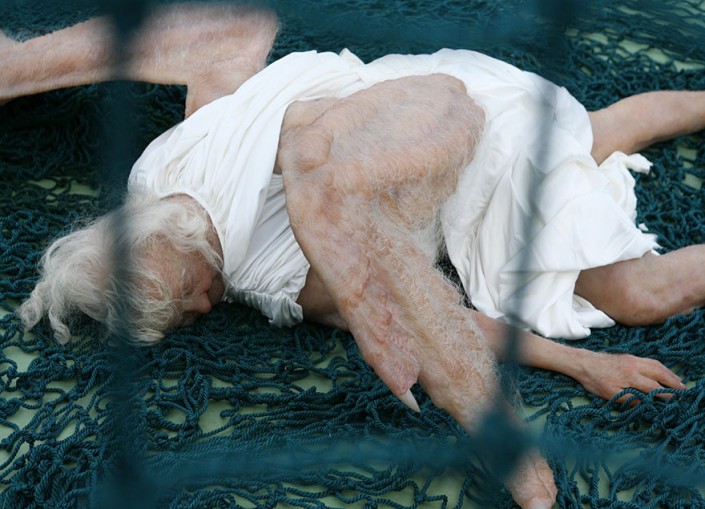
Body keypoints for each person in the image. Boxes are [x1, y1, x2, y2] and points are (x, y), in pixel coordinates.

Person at [3, 4, 705, 508]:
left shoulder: (203, 196)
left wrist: (23, 67)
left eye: (189, 288)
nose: (204, 307)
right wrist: (585, 364)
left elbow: (231, 32)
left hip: (439, 124)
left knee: (635, 285)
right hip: (450, 131)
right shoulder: (189, 189)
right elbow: (438, 319)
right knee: (597, 136)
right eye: (184, 316)